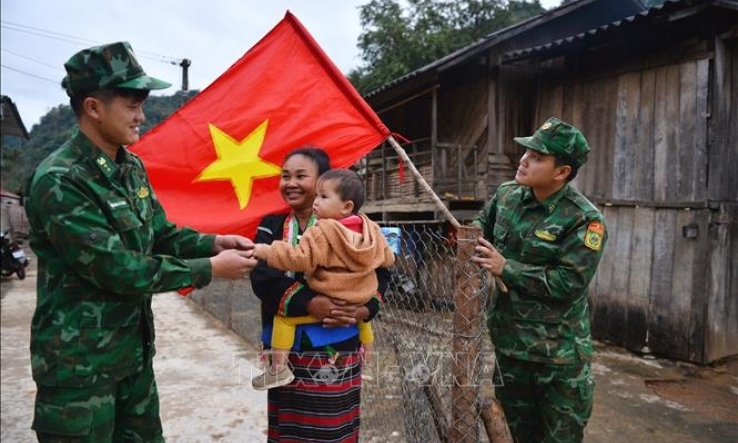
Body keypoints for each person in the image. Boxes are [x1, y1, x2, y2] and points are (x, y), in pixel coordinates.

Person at [25, 41, 258, 443]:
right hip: (79, 370)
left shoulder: (129, 167)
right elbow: (117, 269)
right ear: (94, 108)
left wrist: (213, 243)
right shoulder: (60, 180)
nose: (142, 115)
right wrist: (209, 270)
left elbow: (160, 234)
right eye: (131, 104)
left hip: (131, 356)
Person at [472, 117, 608, 443]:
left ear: (562, 172)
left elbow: (568, 283)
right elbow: (480, 228)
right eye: (526, 151)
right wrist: (465, 237)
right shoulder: (508, 195)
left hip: (558, 359)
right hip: (511, 349)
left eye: (537, 157)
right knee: (515, 435)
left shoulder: (584, 220)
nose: (524, 160)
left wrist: (507, 268)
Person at [250, 147, 390, 442]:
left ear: (320, 183)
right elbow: (262, 275)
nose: (290, 183)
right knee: (289, 426)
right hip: (287, 352)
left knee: (333, 426)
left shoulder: (355, 229)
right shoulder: (271, 225)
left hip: (339, 344)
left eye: (301, 176)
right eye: (285, 176)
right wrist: (312, 302)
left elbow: (383, 272)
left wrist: (363, 310)